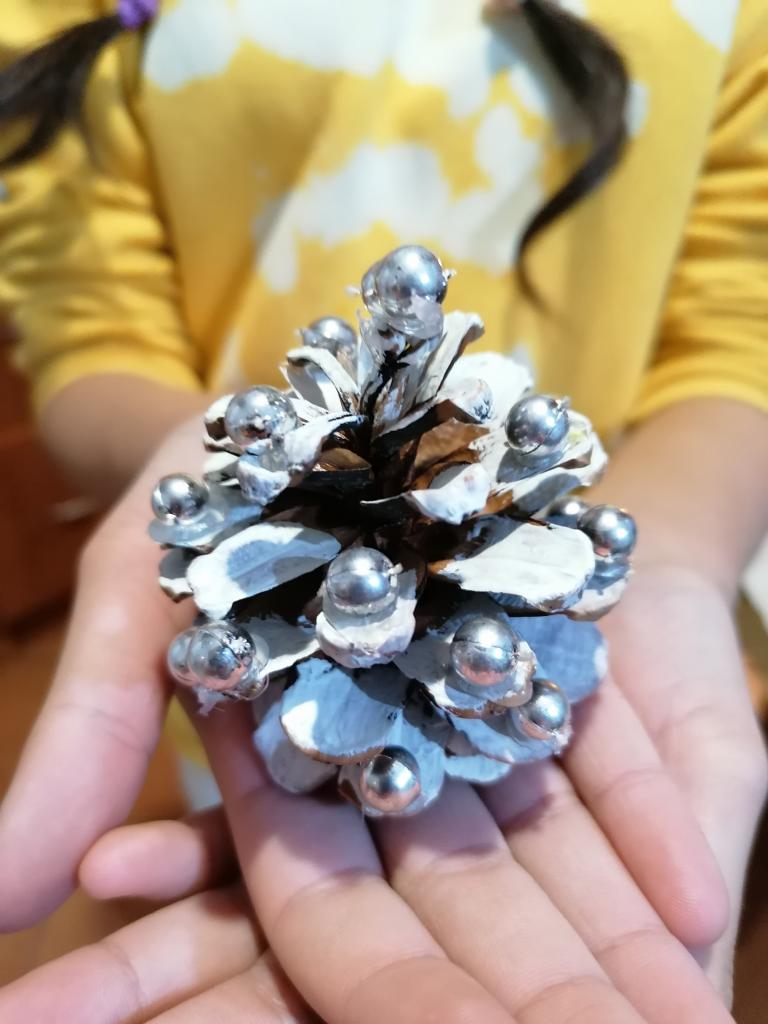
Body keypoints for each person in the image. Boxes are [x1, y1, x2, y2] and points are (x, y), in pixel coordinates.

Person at [0, 1, 766, 1021]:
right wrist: (222, 453)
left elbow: (738, 324)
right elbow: (90, 328)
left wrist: (684, 548)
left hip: (547, 641)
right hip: (250, 691)